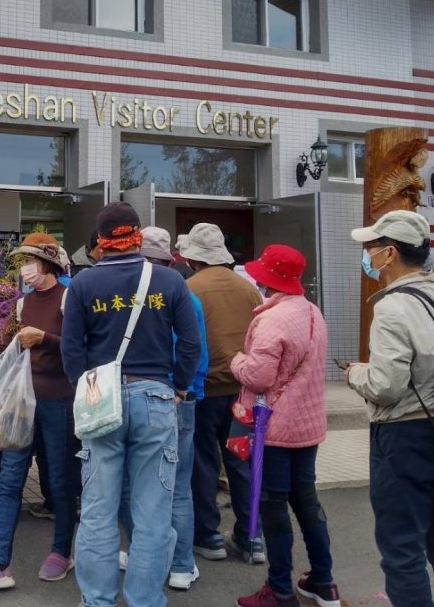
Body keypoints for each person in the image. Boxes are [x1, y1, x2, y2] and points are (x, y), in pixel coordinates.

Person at [61, 203, 201, 607]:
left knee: (98, 510)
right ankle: (144, 599)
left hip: (100, 399)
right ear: (138, 236)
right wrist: (178, 386)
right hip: (155, 397)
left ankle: (97, 600)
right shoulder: (170, 281)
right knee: (153, 513)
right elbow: (190, 342)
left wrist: (84, 389)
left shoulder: (83, 284)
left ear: (101, 241)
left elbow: (71, 349)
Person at [346, 210, 434, 607]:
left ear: (390, 253)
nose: (367, 254)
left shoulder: (392, 307)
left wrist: (355, 373)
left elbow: (386, 387)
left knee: (402, 548)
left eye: (371, 247)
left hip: (403, 434)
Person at [231, 245, 340, 607]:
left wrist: (236, 361)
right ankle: (323, 580)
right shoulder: (312, 311)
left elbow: (258, 376)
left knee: (273, 505)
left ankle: (279, 590)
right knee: (306, 500)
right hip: (307, 425)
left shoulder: (272, 319)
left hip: (273, 428)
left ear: (267, 280)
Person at [0, 233, 76, 591]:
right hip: (21, 405)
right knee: (10, 481)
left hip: (59, 402)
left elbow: (80, 349)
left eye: (30, 261)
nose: (25, 268)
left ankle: (62, 551)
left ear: (48, 264)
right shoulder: (21, 304)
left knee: (59, 480)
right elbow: (9, 350)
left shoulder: (69, 298)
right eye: (23, 262)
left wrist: (46, 339)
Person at [178, 222, 265, 564]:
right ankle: (251, 536)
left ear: (192, 258)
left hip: (205, 389)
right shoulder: (249, 289)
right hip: (243, 391)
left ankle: (208, 535)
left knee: (203, 462)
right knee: (241, 461)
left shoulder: (189, 288)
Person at [136, 227, 210, 592]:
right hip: (180, 397)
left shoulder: (124, 294)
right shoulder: (184, 295)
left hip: (139, 394)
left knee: (139, 484)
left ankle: (146, 557)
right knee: (178, 485)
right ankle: (181, 564)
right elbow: (196, 349)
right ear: (169, 261)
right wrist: (185, 388)